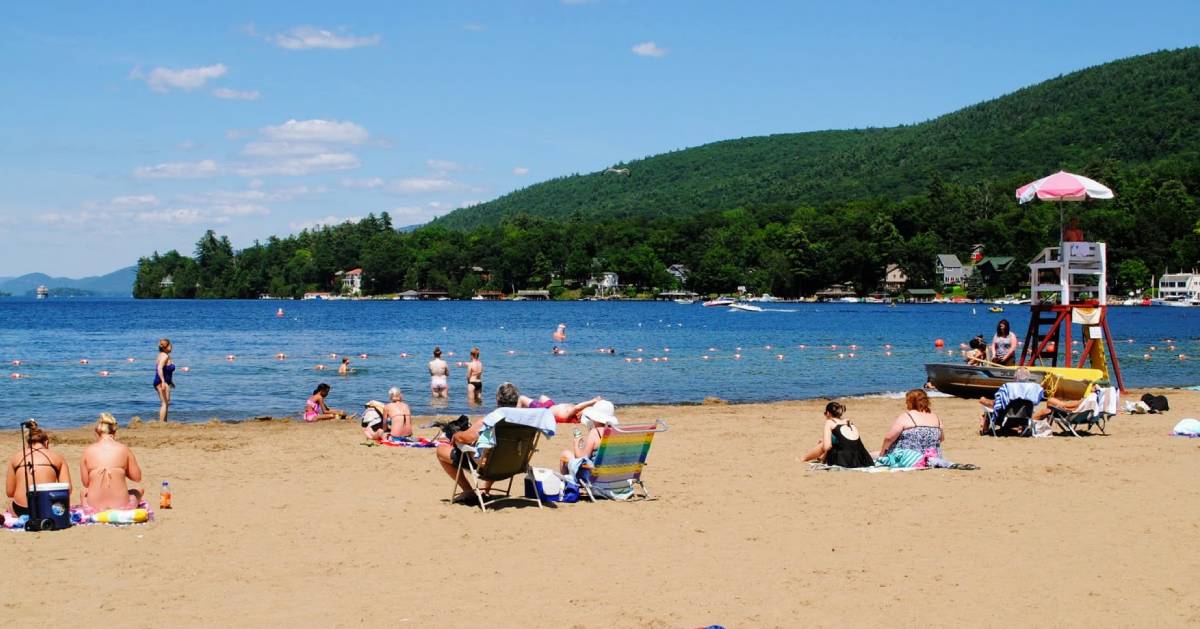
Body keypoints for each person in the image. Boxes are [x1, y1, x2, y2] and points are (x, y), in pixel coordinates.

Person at [435, 382, 522, 497]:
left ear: (497, 400)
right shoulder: (523, 421)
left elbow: (464, 438)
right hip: (512, 465)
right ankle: (486, 491)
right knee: (496, 447)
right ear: (516, 401)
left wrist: (456, 435)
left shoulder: (491, 420)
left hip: (488, 468)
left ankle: (468, 491)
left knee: (441, 450)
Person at [79, 413, 143, 511]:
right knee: (137, 491)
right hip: (121, 504)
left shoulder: (87, 451)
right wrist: (123, 471)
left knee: (83, 493)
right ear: (114, 432)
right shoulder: (124, 449)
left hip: (94, 505)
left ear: (97, 433)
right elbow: (137, 478)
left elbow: (86, 484)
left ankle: (90, 509)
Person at [6, 421, 71, 516]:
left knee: (10, 507)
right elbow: (67, 490)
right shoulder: (58, 458)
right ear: (46, 442)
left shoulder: (16, 458)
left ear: (28, 444)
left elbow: (10, 493)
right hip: (48, 508)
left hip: (21, 510)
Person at [877, 389, 944, 465]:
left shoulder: (907, 416)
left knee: (871, 455)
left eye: (907, 401)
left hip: (909, 457)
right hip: (932, 457)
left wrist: (882, 453)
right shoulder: (936, 418)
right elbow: (941, 438)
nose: (906, 403)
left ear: (911, 402)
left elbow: (889, 438)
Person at [801, 402, 874, 467]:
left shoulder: (830, 422)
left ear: (828, 413)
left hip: (845, 460)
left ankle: (803, 459)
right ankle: (819, 458)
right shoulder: (848, 421)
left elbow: (827, 447)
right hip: (863, 459)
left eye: (825, 413)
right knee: (829, 441)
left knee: (824, 443)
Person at [560, 399, 619, 476]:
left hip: (595, 477)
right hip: (613, 475)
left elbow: (581, 458)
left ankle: (567, 484)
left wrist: (576, 442)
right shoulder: (616, 432)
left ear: (595, 418)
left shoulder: (595, 432)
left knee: (565, 454)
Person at [518, 394, 603, 423]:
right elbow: (581, 407)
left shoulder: (570, 413)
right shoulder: (575, 411)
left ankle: (517, 419)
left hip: (544, 410)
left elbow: (578, 407)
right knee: (542, 396)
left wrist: (593, 400)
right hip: (551, 406)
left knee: (521, 398)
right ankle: (529, 410)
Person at [154, 338, 175, 422]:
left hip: (164, 381)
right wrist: (163, 381)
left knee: (166, 403)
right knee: (164, 403)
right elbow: (159, 368)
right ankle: (162, 423)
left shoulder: (161, 355)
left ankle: (164, 422)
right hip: (161, 381)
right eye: (170, 345)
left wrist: (171, 381)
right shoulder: (165, 356)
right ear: (166, 347)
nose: (172, 347)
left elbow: (166, 370)